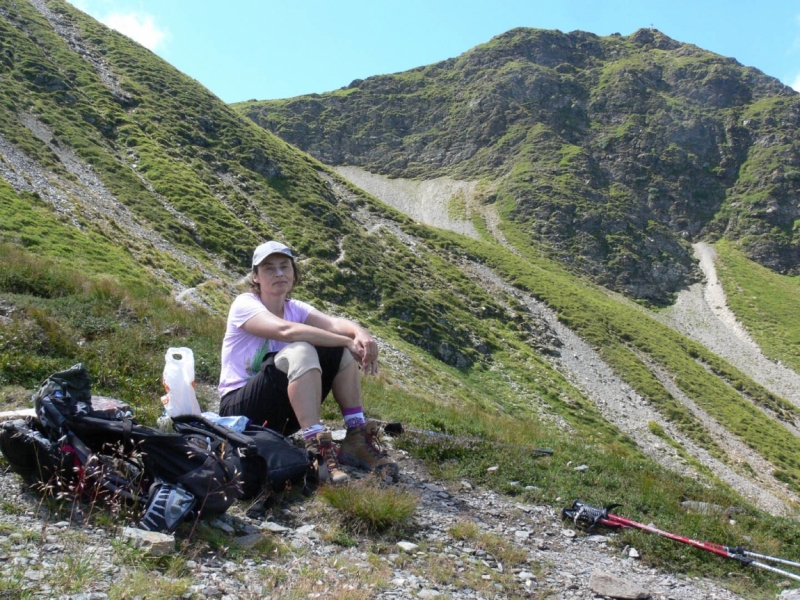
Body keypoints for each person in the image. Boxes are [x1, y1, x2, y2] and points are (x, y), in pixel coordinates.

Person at [218, 241, 397, 484]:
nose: (279, 273)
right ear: (256, 277)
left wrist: (360, 333)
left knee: (337, 352)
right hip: (240, 411)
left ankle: (355, 437)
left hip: (281, 415)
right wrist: (345, 341)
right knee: (302, 348)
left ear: (293, 273)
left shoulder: (296, 308)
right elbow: (286, 331)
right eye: (269, 268)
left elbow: (335, 324)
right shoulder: (245, 304)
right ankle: (317, 449)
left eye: (285, 267)